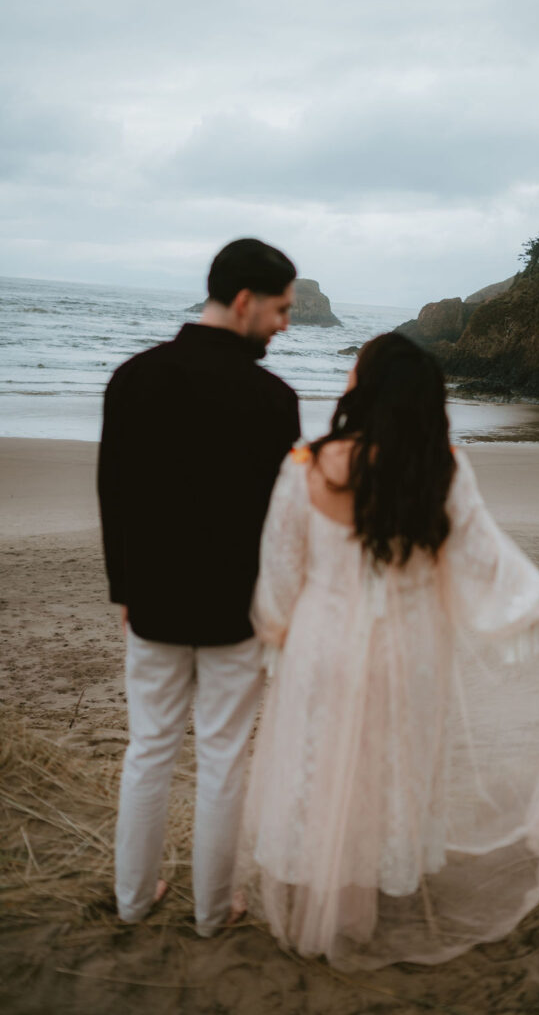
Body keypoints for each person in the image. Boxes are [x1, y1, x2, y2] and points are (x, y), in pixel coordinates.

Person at [233, 331, 539, 970]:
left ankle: (328, 901)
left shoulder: (305, 466)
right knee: (387, 771)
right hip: (411, 650)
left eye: (354, 370)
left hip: (323, 644)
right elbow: (492, 563)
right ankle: (364, 901)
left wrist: (277, 639)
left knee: (320, 766)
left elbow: (280, 573)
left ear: (366, 389)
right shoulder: (442, 467)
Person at [98, 238, 300, 937]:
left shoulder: (133, 378)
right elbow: (280, 525)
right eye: (279, 309)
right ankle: (213, 913)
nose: (284, 324)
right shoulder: (274, 400)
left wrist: (123, 589)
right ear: (244, 301)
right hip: (235, 611)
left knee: (147, 748)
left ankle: (131, 899)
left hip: (151, 602)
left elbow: (113, 495)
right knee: (221, 758)